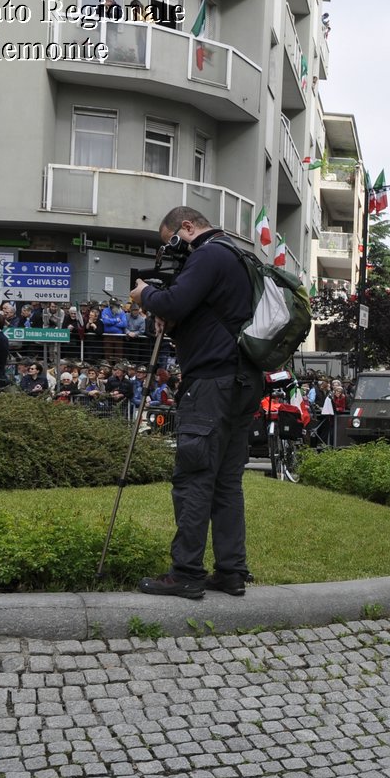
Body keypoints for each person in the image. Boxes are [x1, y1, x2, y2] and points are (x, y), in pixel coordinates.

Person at [131, 205, 261, 600]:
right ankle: (230, 572)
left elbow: (173, 303)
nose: (173, 251)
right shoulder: (242, 256)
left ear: (187, 228)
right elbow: (202, 311)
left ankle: (185, 572)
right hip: (243, 380)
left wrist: (145, 294)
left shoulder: (208, 253)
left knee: (193, 478)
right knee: (226, 482)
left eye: (171, 241)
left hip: (211, 383)